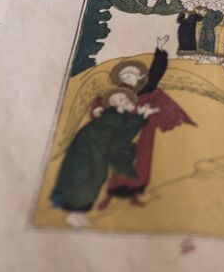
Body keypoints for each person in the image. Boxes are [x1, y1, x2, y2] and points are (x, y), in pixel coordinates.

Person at [100, 36, 195, 209]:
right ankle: (110, 194)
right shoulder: (120, 92)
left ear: (139, 77)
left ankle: (134, 194)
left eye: (131, 75)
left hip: (145, 129)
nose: (127, 78)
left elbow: (157, 71)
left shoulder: (147, 87)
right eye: (124, 76)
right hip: (125, 130)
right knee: (123, 160)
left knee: (143, 160)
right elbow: (105, 103)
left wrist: (159, 50)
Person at [49, 88, 157, 228]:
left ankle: (79, 213)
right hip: (86, 150)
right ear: (113, 103)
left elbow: (125, 134)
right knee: (82, 179)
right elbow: (123, 126)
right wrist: (141, 116)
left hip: (99, 152)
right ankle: (72, 214)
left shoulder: (121, 116)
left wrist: (142, 116)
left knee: (97, 177)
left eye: (124, 99)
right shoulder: (110, 115)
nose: (123, 101)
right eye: (119, 99)